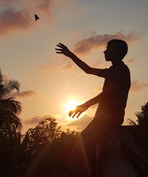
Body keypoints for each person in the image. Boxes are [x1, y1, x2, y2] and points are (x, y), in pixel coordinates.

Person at [55, 39, 131, 177]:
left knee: (82, 146)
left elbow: (107, 95)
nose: (105, 51)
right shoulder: (114, 70)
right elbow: (87, 70)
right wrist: (70, 54)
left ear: (117, 52)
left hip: (108, 120)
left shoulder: (120, 70)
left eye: (108, 48)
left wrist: (85, 105)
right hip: (105, 119)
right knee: (87, 150)